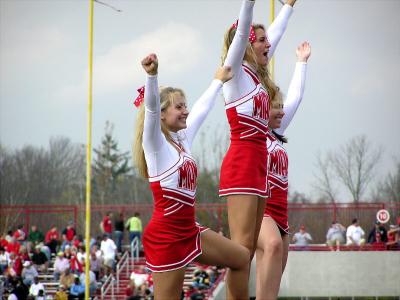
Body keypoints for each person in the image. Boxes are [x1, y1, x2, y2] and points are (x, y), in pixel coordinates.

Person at [133, 53, 249, 299]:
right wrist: (152, 76)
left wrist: (218, 81)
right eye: (179, 107)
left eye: (185, 105)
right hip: (167, 237)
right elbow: (151, 108)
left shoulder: (182, 140)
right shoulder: (154, 145)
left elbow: (202, 109)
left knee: (240, 258)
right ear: (163, 115)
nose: (185, 111)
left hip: (189, 230)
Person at [219, 0, 298, 297]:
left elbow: (271, 36)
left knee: (249, 252)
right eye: (262, 41)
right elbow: (243, 35)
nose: (269, 45)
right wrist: (249, 3)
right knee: (241, 252)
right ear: (248, 45)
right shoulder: (236, 73)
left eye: (267, 41)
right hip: (241, 163)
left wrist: (288, 7)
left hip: (258, 169)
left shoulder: (255, 77)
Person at [255, 41, 310, 299]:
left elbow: (296, 98)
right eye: (274, 107)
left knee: (272, 287)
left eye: (280, 106)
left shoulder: (276, 134)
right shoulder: (253, 134)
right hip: (260, 210)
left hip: (281, 214)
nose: (280, 111)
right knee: (273, 245)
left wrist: (301, 62)